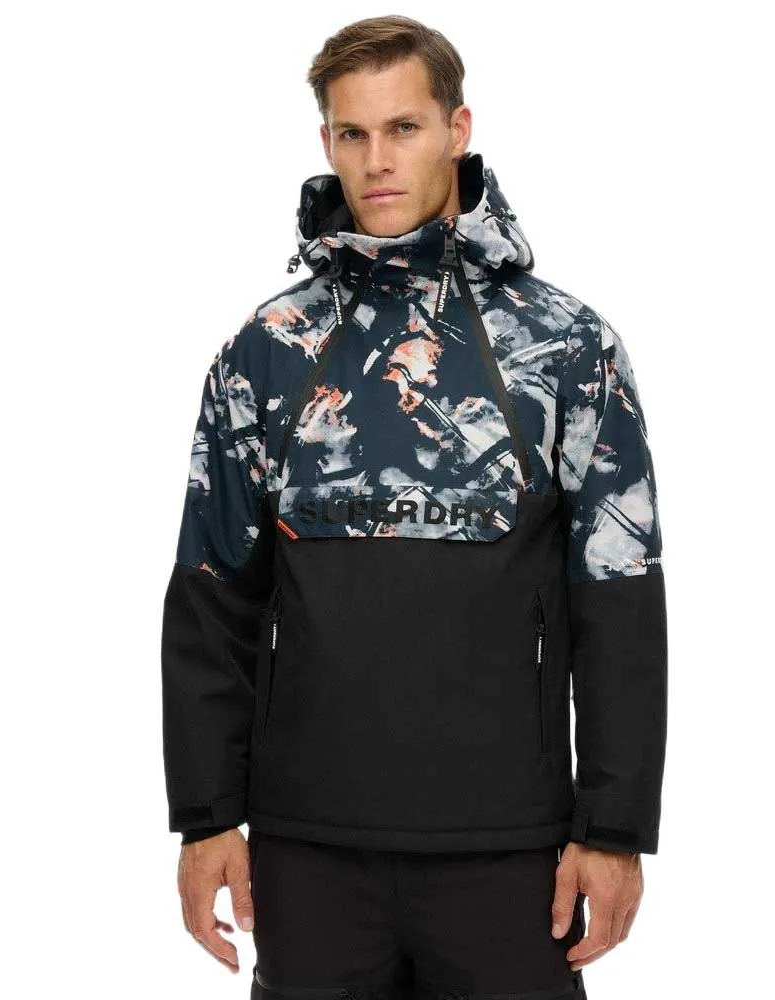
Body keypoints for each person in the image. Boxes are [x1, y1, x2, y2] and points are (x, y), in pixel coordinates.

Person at [160, 15, 667, 1000]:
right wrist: (207, 818)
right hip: (308, 846)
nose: (377, 160)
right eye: (353, 134)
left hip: (510, 847)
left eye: (403, 128)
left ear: (457, 129)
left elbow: (619, 600)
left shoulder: (566, 347)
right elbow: (212, 595)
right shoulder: (267, 350)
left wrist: (614, 830)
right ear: (326, 142)